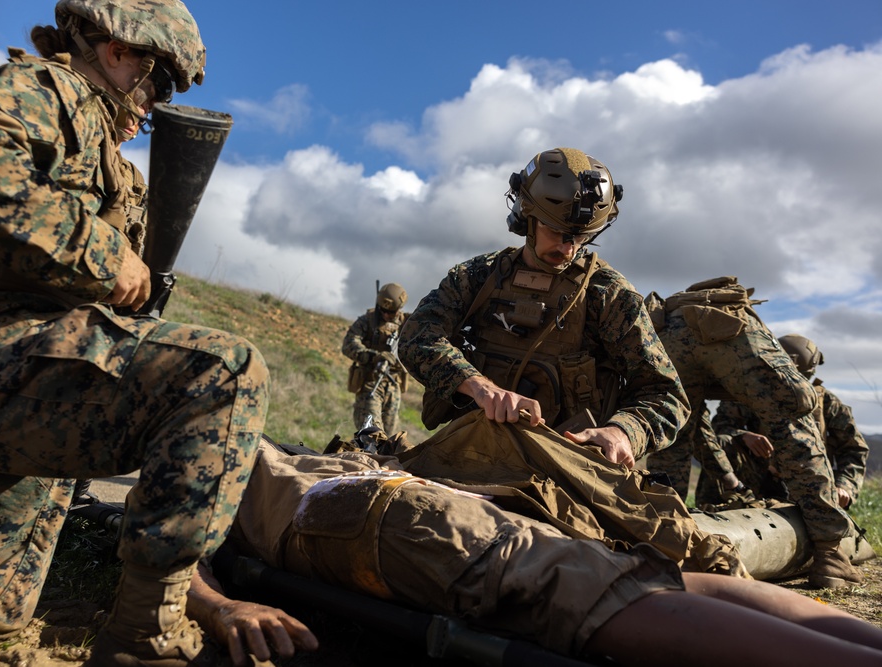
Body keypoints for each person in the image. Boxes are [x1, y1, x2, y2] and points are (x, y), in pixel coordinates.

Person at [0, 2, 269, 665]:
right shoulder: (53, 89)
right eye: (159, 82)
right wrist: (103, 251)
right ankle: (143, 638)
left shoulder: (111, 164)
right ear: (119, 51)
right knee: (224, 371)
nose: (154, 107)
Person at [184, 436, 882, 667]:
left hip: (400, 510)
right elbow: (163, 549)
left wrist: (217, 602)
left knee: (635, 582)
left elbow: (163, 540)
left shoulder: (207, 429)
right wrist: (222, 606)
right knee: (622, 584)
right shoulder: (208, 441)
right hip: (389, 514)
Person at [399, 148, 689, 468]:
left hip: (565, 470)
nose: (568, 248)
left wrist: (623, 432)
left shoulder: (609, 295)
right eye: (556, 232)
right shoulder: (477, 277)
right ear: (528, 216)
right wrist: (479, 387)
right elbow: (417, 337)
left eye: (580, 236)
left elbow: (666, 395)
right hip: (466, 455)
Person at [644, 279, 862, 589]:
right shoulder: (741, 332)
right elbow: (782, 426)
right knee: (794, 424)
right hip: (723, 333)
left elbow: (697, 432)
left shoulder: (833, 406)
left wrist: (846, 486)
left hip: (665, 334)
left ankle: (662, 545)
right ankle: (830, 556)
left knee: (674, 433)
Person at [702, 334, 870, 510]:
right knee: (721, 443)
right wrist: (744, 436)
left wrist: (844, 487)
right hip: (755, 480)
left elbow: (854, 449)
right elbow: (718, 427)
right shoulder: (751, 394)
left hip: (807, 480)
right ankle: (713, 509)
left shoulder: (828, 404)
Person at [342, 282, 409, 435]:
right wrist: (374, 356)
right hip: (371, 382)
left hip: (393, 386)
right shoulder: (367, 321)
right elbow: (349, 344)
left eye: (391, 312)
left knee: (391, 438)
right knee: (371, 434)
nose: (386, 315)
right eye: (383, 310)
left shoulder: (407, 324)